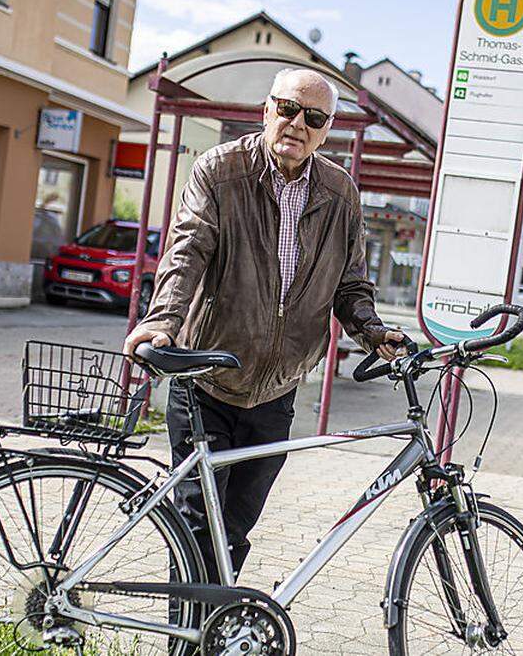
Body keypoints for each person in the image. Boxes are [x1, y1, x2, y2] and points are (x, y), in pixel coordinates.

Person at [123, 68, 404, 583]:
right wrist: (161, 321)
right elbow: (187, 252)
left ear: (327, 129)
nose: (297, 123)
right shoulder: (220, 170)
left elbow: (350, 285)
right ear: (267, 108)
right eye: (288, 109)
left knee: (236, 528)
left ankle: (215, 631)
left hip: (276, 392)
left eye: (314, 117)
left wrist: (374, 332)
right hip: (207, 380)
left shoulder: (340, 193)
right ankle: (186, 642)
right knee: (196, 529)